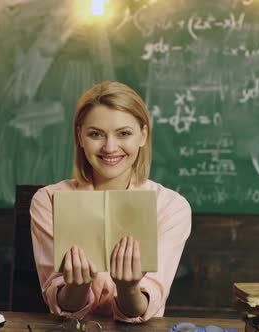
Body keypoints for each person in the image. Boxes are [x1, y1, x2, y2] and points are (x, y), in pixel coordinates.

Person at [30, 81, 191, 323]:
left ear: (143, 135)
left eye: (124, 133)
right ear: (80, 136)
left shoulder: (171, 207)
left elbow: (148, 302)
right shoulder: (49, 200)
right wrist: (76, 288)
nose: (110, 147)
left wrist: (129, 288)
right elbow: (58, 302)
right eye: (96, 134)